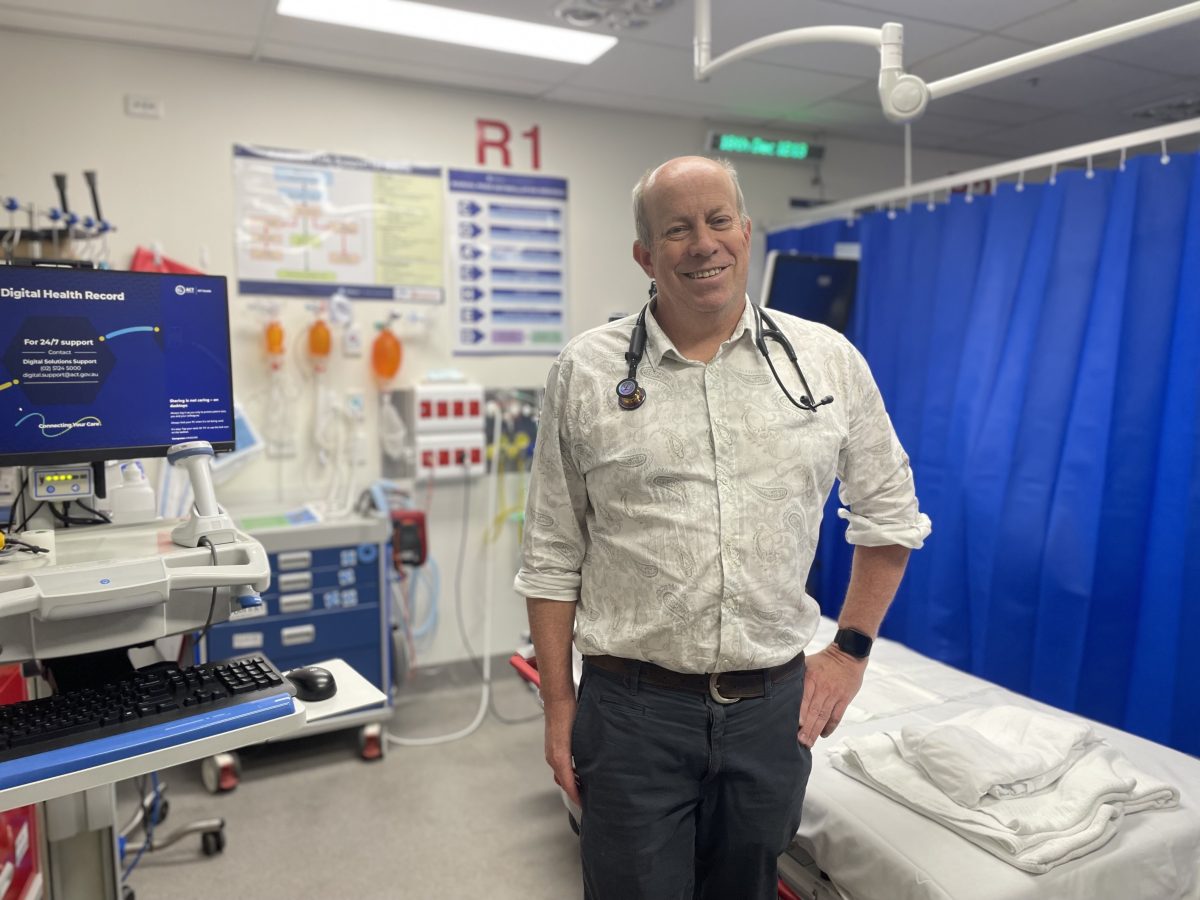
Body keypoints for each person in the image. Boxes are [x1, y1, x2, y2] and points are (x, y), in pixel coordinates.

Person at [514, 155, 931, 899]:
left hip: (770, 714)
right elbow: (551, 555)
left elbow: (891, 514)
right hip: (631, 713)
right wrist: (558, 706)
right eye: (676, 229)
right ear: (646, 254)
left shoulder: (826, 361)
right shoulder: (585, 373)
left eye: (717, 222)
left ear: (745, 232)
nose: (702, 244)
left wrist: (850, 653)